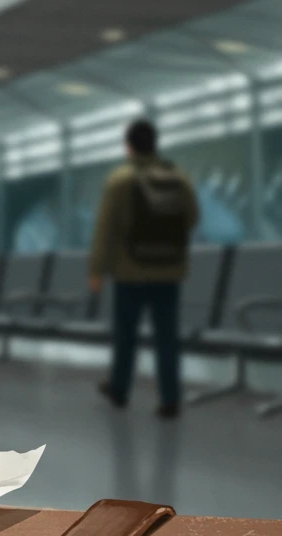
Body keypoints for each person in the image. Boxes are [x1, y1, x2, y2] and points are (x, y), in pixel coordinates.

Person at [90, 119, 200, 418]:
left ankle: (120, 389)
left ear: (129, 147)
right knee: (167, 338)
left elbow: (105, 229)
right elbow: (192, 218)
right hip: (169, 271)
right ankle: (170, 399)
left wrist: (97, 269)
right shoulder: (179, 177)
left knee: (126, 335)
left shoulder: (120, 180)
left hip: (130, 271)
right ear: (155, 143)